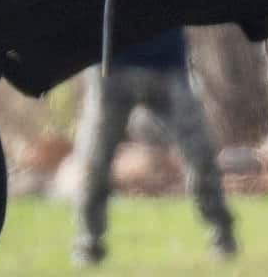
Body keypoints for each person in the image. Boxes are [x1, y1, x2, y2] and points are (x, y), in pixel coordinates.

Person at [72, 24, 239, 264]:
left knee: (200, 154)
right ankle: (88, 245)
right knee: (94, 161)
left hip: (168, 66)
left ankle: (223, 237)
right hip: (109, 67)